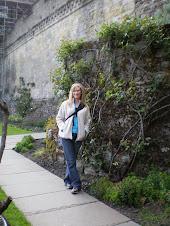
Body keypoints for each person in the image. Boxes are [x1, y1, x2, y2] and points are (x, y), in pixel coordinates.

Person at [56, 83, 91, 194]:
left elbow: (88, 121)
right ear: (71, 92)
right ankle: (76, 185)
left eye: (78, 91)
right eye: (74, 91)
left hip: (78, 137)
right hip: (66, 136)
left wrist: (85, 131)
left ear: (81, 92)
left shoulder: (85, 107)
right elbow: (59, 118)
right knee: (71, 161)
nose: (76, 93)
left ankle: (67, 180)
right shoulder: (65, 104)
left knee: (72, 160)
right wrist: (62, 128)